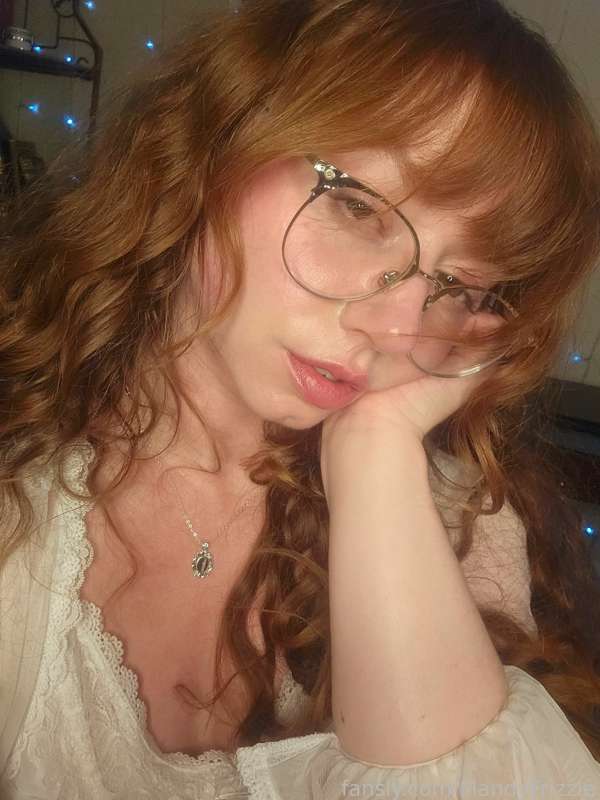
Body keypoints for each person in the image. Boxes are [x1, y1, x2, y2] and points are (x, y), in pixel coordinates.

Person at [1, 0, 600, 796]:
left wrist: (375, 451)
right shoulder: (21, 495)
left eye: (462, 287)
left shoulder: (457, 524)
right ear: (218, 138)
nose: (397, 326)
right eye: (358, 207)